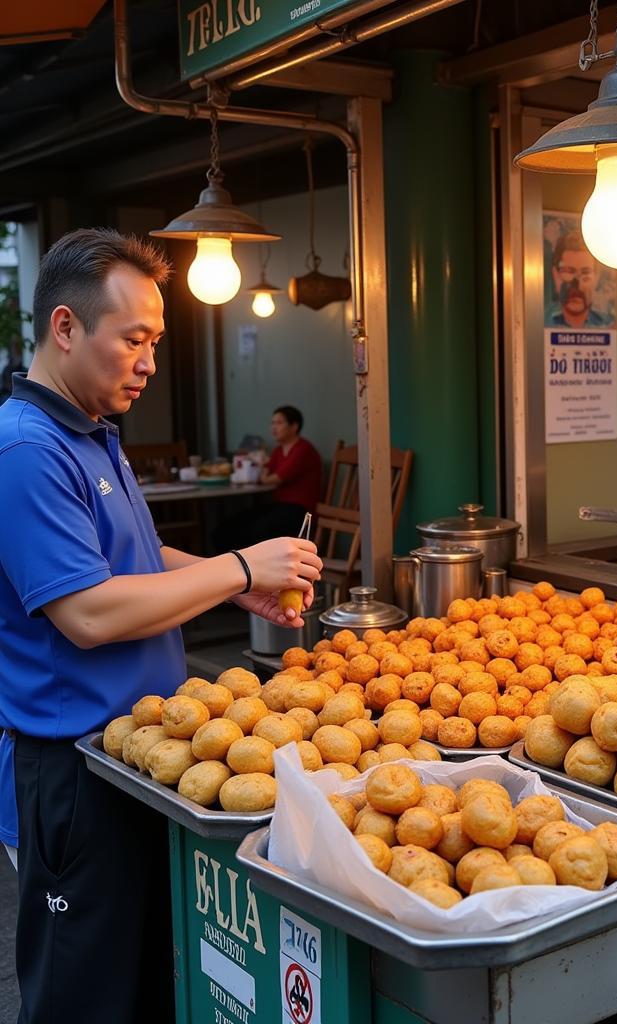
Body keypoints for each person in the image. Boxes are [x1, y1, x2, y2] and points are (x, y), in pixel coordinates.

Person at [0, 228, 322, 1024]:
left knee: (147, 983)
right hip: (74, 773)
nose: (148, 362)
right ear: (66, 327)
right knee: (85, 999)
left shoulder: (90, 429)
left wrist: (225, 591)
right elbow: (88, 612)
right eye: (133, 340)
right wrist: (243, 566)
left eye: (156, 342)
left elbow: (130, 558)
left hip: (143, 751)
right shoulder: (26, 449)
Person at [213, 406, 322, 550]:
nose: (273, 428)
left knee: (257, 529)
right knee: (230, 526)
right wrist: (264, 471)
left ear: (294, 426)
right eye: (272, 423)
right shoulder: (279, 450)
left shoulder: (303, 449)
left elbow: (272, 478)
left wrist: (264, 471)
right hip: (280, 505)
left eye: (279, 423)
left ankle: (252, 567)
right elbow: (264, 473)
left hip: (299, 510)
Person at [546, 230, 612, 329]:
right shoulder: (539, 323)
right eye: (569, 271)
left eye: (585, 273)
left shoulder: (608, 325)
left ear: (596, 278)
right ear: (556, 275)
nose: (577, 284)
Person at [0, 340, 27, 404]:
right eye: (13, 349)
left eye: (17, 349)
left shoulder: (24, 370)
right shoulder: (7, 369)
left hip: (21, 396)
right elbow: (4, 387)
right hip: (8, 397)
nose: (14, 351)